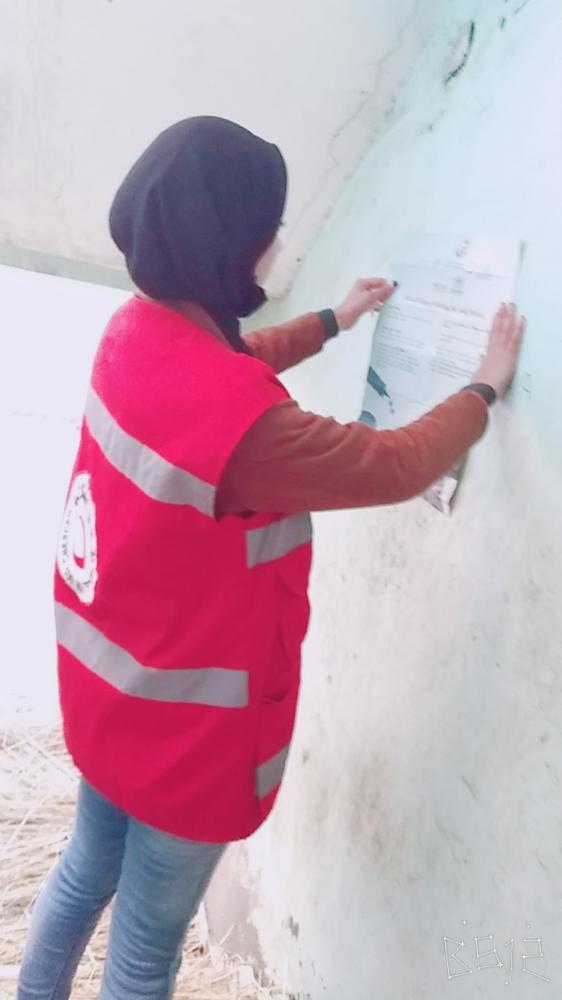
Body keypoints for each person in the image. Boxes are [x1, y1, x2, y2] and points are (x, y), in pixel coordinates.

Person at [17, 117, 524, 1000]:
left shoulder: (134, 331)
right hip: (184, 747)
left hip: (109, 705)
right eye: (268, 226)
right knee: (144, 953)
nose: (277, 241)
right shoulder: (246, 431)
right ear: (227, 243)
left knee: (82, 873)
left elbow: (226, 361)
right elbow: (395, 464)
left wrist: (335, 319)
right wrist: (484, 386)